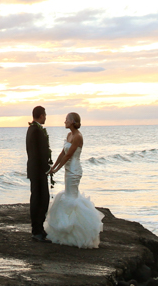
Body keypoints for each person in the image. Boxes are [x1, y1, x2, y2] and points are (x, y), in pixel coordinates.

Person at [44, 111, 104, 248]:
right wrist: (53, 167)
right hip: (67, 170)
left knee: (71, 197)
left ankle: (77, 232)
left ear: (72, 122)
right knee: (69, 195)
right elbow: (62, 153)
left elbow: (69, 156)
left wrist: (56, 170)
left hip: (74, 171)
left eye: (66, 120)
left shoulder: (78, 137)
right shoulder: (69, 135)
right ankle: (68, 232)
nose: (64, 121)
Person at [25, 105, 52, 242]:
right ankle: (36, 230)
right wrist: (46, 168)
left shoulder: (33, 129)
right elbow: (37, 153)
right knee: (39, 199)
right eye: (45, 115)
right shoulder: (35, 130)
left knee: (42, 198)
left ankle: (39, 228)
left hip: (37, 169)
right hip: (38, 170)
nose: (46, 117)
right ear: (41, 115)